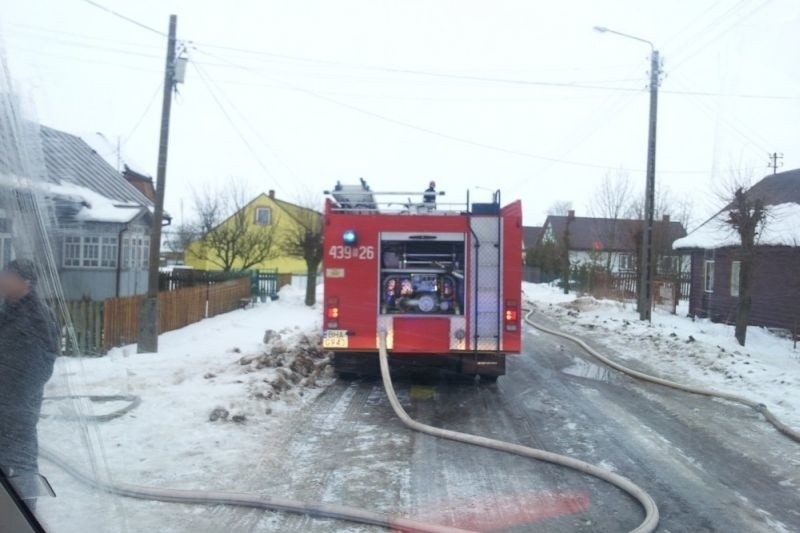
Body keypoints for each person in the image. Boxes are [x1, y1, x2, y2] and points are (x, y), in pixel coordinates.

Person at [0, 259, 59, 509]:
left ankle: (26, 513)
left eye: (7, 276)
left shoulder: (36, 316)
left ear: (25, 282)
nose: (2, 280)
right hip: (5, 401)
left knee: (22, 461)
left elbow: (44, 361)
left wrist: (15, 396)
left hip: (18, 406)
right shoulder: (8, 309)